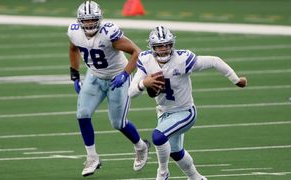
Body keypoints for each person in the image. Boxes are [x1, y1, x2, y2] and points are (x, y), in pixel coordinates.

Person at [128, 26, 247, 180]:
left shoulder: (182, 59)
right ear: (152, 47)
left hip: (185, 112)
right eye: (159, 46)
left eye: (166, 45)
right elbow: (131, 93)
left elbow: (214, 61)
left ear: (172, 45)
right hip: (164, 113)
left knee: (158, 137)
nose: (163, 49)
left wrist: (236, 79)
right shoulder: (146, 60)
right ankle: (196, 177)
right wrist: (144, 83)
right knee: (175, 151)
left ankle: (163, 173)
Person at [67, 0, 150, 177]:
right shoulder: (74, 31)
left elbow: (137, 51)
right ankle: (92, 157)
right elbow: (73, 48)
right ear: (80, 21)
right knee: (82, 114)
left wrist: (125, 74)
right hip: (94, 76)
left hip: (116, 78)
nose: (89, 23)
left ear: (99, 19)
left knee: (118, 123)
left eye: (92, 20)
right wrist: (74, 73)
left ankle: (141, 146)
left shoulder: (109, 33)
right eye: (86, 20)